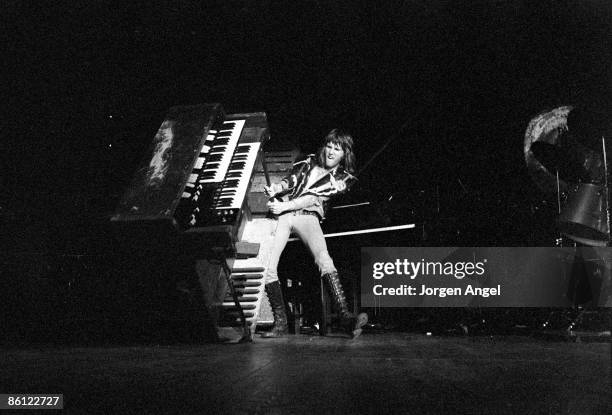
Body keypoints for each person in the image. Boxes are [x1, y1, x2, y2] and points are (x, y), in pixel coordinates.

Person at [260, 129, 368, 339]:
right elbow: (290, 181)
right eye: (329, 146)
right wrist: (276, 189)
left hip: (307, 216)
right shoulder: (307, 161)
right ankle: (280, 322)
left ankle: (345, 318)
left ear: (344, 154)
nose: (331, 152)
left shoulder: (344, 178)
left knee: (324, 260)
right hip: (284, 215)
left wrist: (286, 206)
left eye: (337, 149)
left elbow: (314, 197)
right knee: (269, 265)